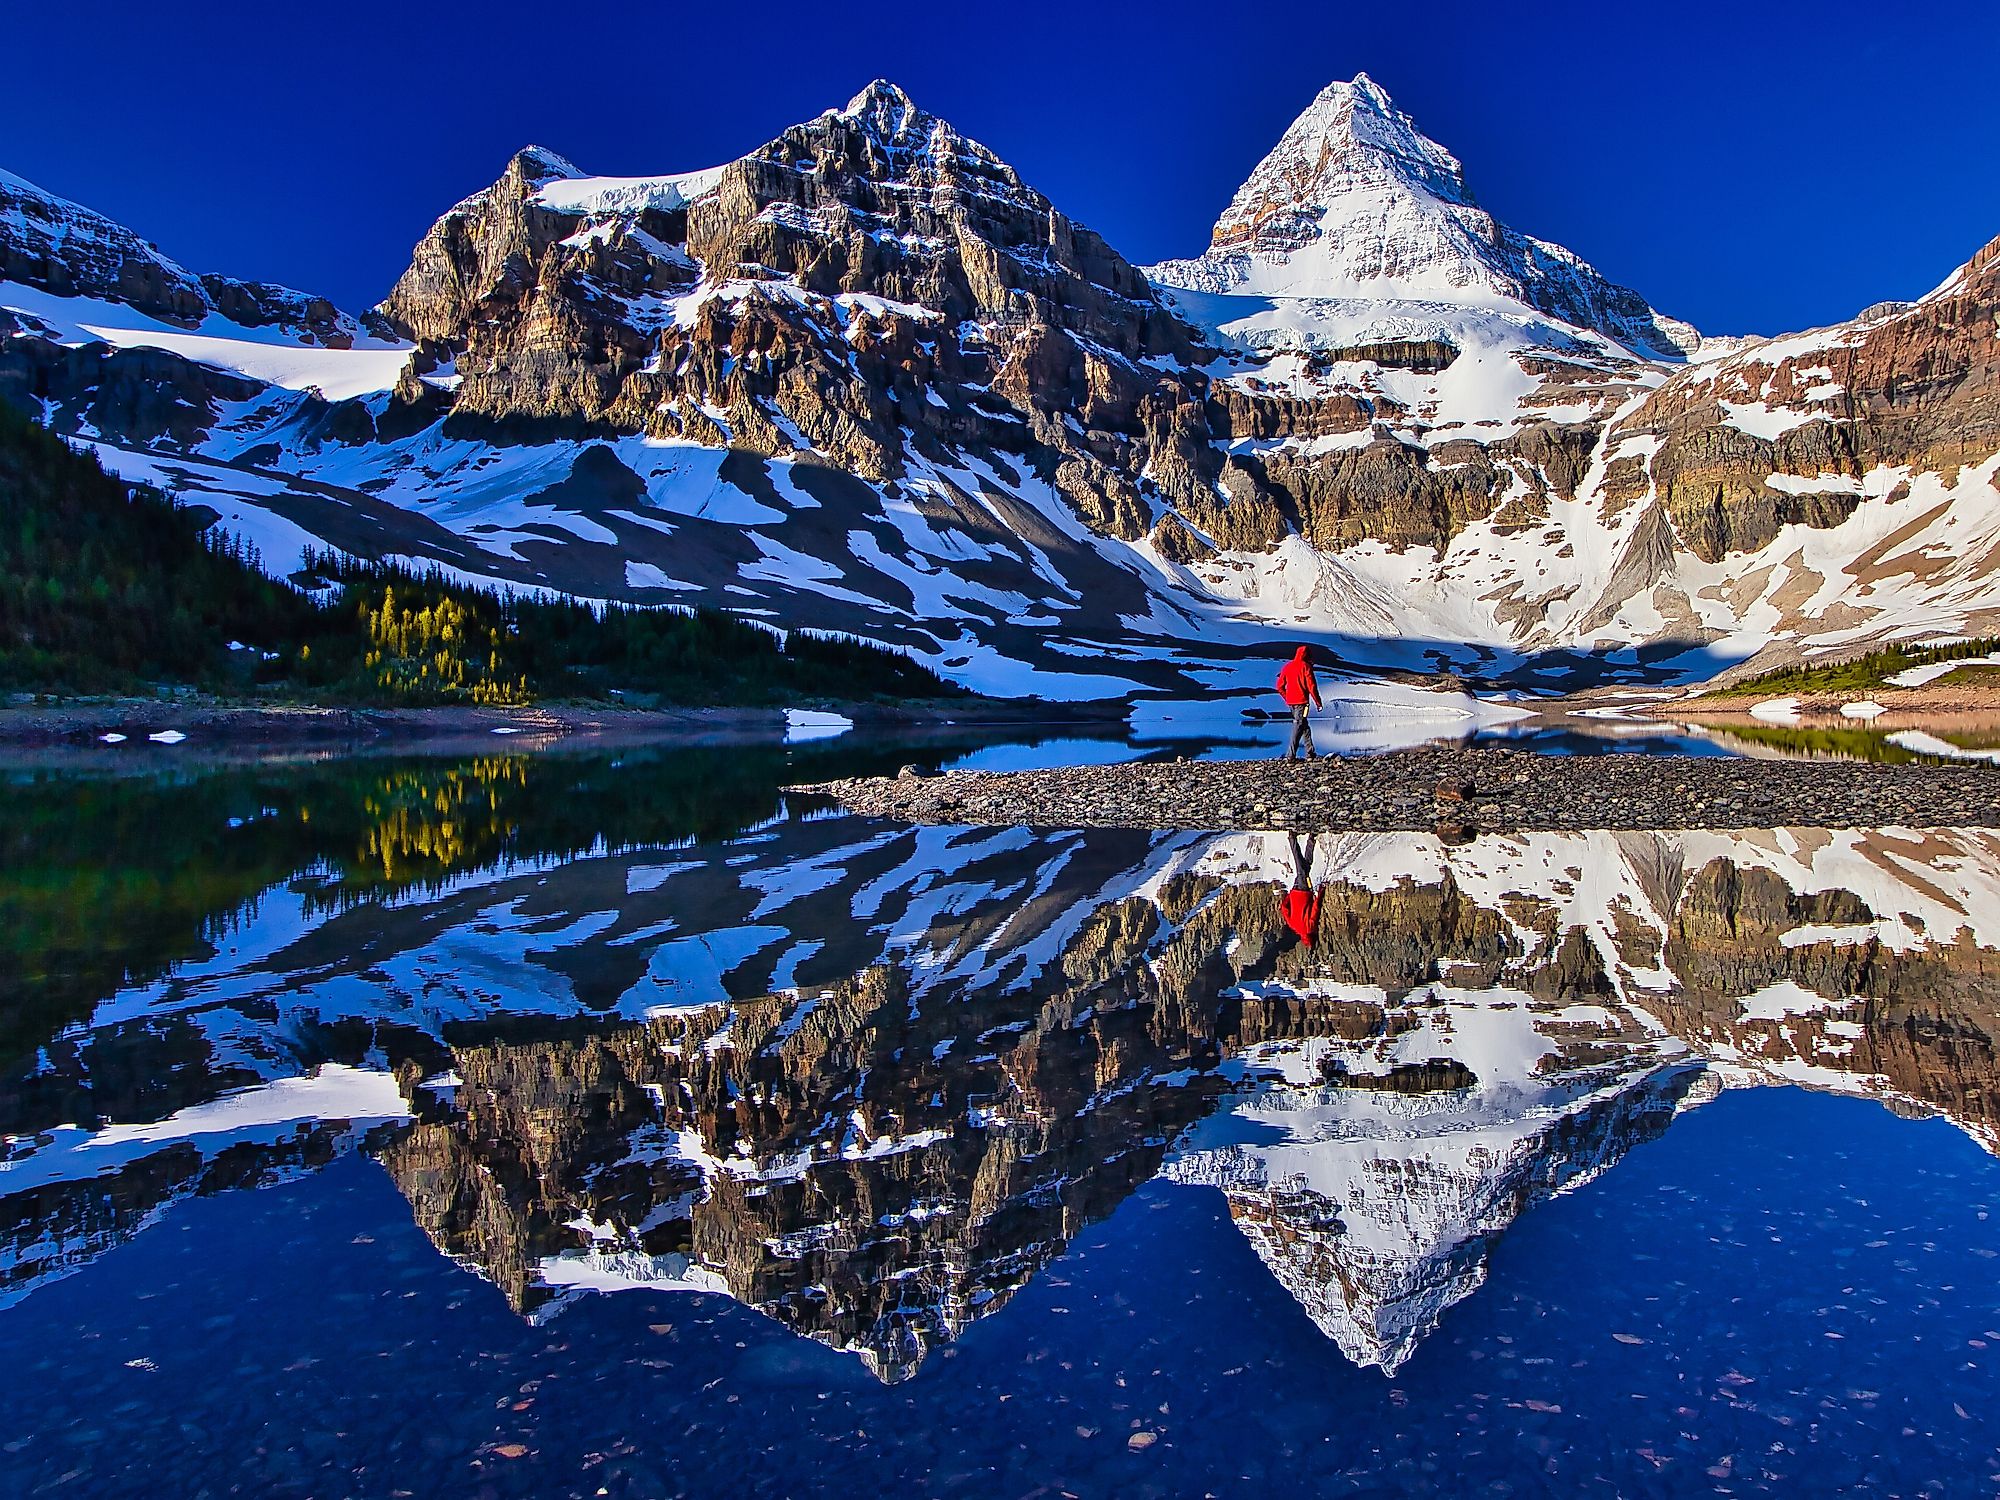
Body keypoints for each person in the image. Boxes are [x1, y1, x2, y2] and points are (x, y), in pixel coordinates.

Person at [1276, 645, 1323, 760]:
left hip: (1291, 703)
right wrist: (1318, 702)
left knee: (1303, 725)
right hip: (1303, 703)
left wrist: (1287, 698)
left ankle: (1310, 752)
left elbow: (1279, 686)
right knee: (1298, 726)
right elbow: (1312, 686)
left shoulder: (1287, 666)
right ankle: (1290, 755)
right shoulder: (1306, 667)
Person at [1282, 831, 1321, 948]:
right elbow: (1284, 909)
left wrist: (1321, 893)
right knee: (1306, 866)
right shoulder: (1293, 926)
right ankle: (1311, 839)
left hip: (1305, 891)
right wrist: (1290, 895)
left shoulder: (1311, 927)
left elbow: (1316, 908)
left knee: (1300, 868)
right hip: (1295, 892)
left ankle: (1292, 838)